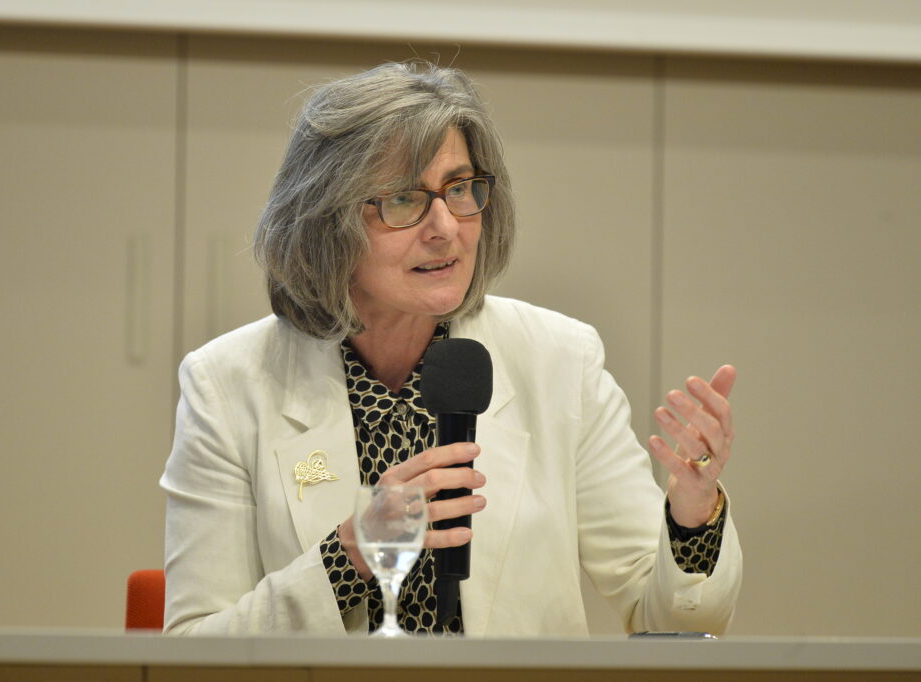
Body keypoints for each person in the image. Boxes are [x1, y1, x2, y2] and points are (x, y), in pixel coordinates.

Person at [160, 61, 742, 637]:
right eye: (402, 200)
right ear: (325, 222)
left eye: (460, 189)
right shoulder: (228, 384)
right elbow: (190, 650)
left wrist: (692, 515)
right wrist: (347, 558)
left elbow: (669, 618)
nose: (446, 226)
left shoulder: (561, 361)